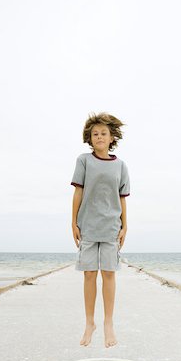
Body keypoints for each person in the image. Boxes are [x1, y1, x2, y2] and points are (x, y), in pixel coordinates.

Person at [71, 112, 130, 348]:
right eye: (95, 134)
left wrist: (126, 226)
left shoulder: (121, 165)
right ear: (90, 138)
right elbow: (78, 192)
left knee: (108, 274)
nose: (99, 137)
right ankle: (89, 323)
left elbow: (122, 198)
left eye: (103, 133)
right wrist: (73, 222)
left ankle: (108, 323)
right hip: (87, 226)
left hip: (111, 228)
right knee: (89, 274)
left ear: (111, 136)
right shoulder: (84, 160)